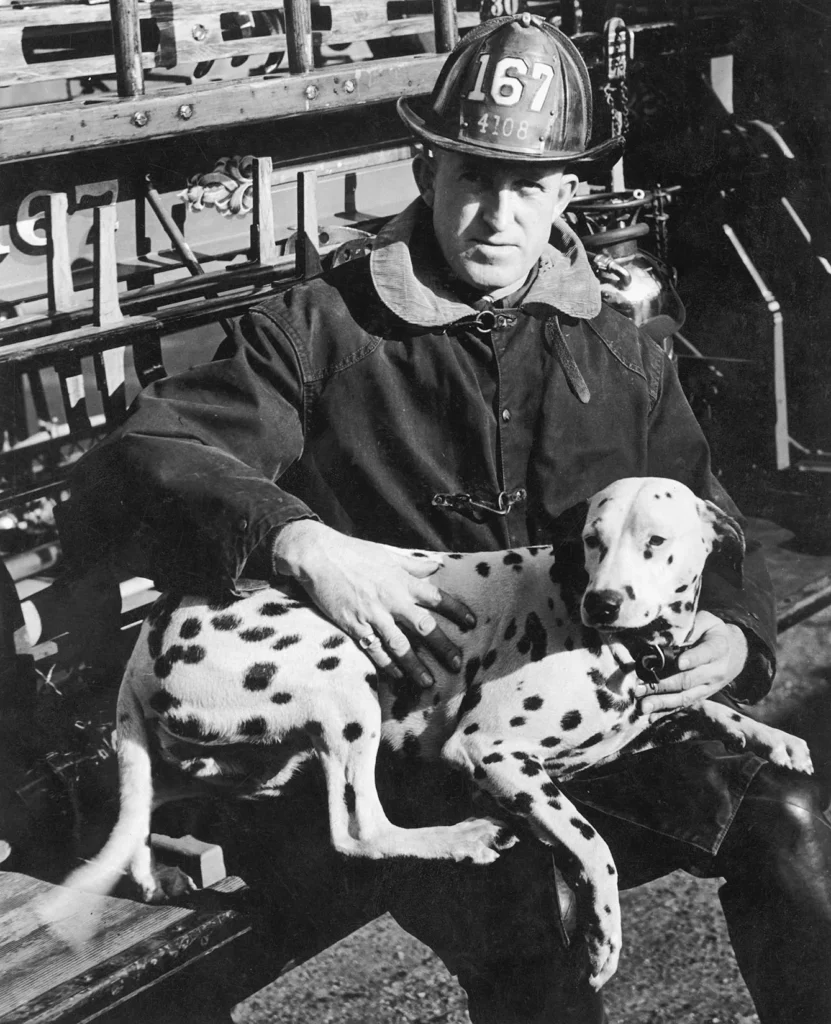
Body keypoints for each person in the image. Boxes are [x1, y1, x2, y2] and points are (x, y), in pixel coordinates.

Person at [58, 15, 831, 1024]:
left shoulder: (622, 347)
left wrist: (731, 633)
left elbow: (702, 504)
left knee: (790, 820)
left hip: (596, 715)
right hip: (411, 752)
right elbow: (147, 453)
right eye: (473, 175)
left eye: (528, 184)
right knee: (527, 913)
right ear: (428, 169)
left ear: (567, 190)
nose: (498, 213)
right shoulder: (319, 329)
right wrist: (302, 541)